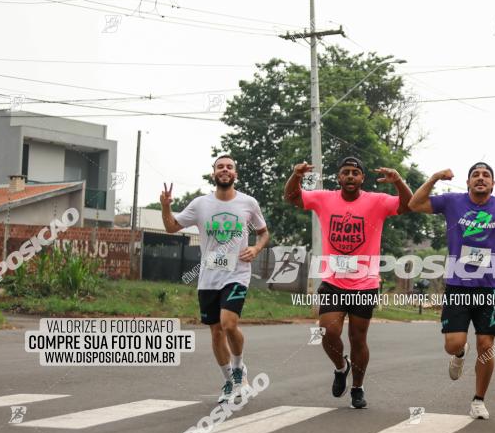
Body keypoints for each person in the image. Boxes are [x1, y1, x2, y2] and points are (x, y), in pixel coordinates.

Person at [408, 164, 495, 420]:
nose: (481, 179)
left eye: (486, 176)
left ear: (492, 184)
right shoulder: (452, 201)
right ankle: (460, 354)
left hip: (490, 287)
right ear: (468, 182)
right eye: (476, 175)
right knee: (453, 344)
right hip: (458, 285)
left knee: (486, 346)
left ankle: (478, 399)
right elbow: (415, 204)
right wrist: (436, 177)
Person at [284, 156, 411, 409]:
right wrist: (296, 175)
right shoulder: (324, 198)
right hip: (333, 281)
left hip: (365, 282)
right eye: (346, 172)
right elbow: (292, 197)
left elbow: (408, 205)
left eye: (355, 172)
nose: (350, 176)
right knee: (328, 331)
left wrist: (398, 181)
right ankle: (341, 367)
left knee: (357, 338)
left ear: (362, 178)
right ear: (339, 178)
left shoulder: (377, 201)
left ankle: (357, 387)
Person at [160, 155, 269, 403]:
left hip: (238, 274)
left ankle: (240, 369)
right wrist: (166, 206)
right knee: (216, 333)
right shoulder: (200, 204)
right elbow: (171, 227)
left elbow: (263, 233)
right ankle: (229, 380)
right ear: (214, 173)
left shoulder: (248, 203)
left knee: (229, 324)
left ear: (235, 174)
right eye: (220, 166)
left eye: (230, 166)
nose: (225, 170)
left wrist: (256, 248)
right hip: (209, 277)